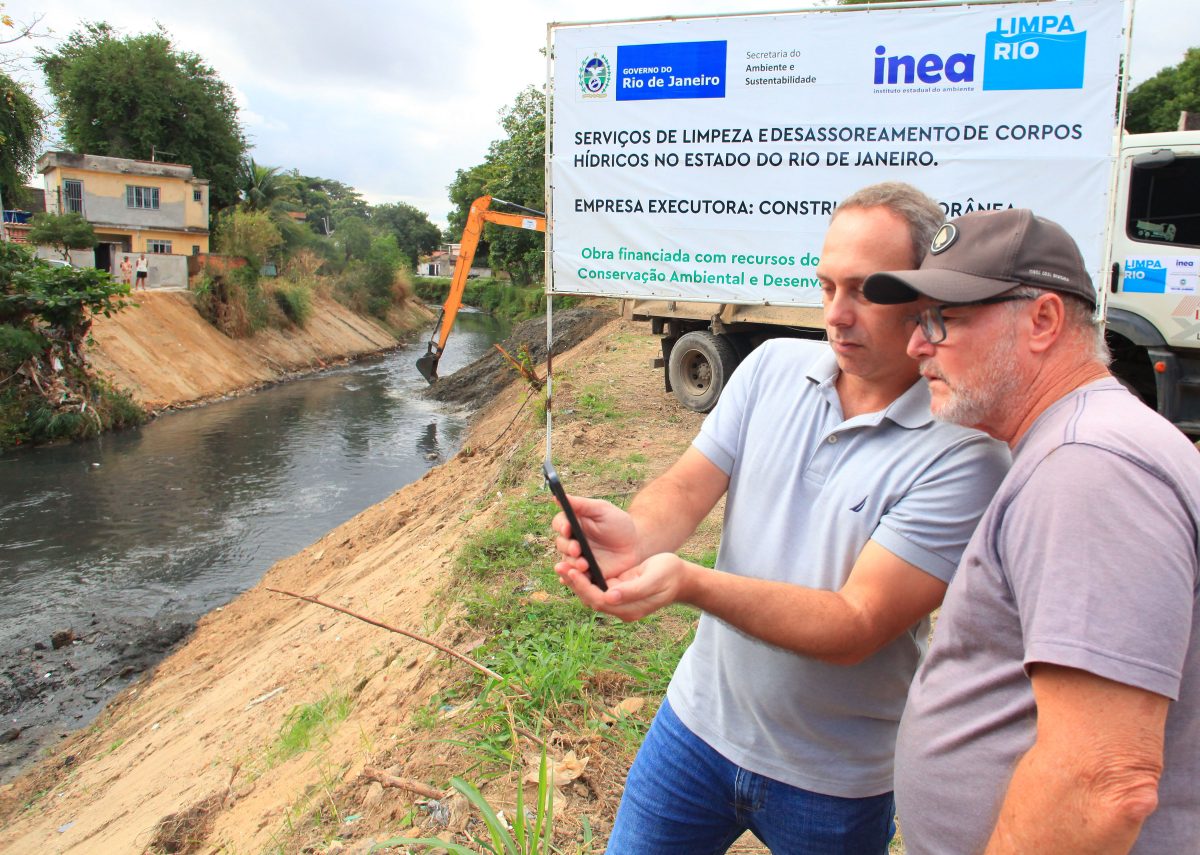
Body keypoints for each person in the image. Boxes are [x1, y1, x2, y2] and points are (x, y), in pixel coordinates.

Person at [552, 183, 1010, 854]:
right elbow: (684, 488)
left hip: (834, 780)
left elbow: (855, 624)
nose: (837, 314)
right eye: (826, 287)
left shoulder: (967, 454)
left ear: (925, 295)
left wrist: (689, 581)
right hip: (696, 728)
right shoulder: (769, 368)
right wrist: (633, 532)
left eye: (865, 290)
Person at [862, 208, 1200, 854]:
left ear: (1043, 320)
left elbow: (1100, 782)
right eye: (916, 320)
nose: (916, 345)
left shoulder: (1091, 470)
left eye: (944, 319)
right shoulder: (1076, 446)